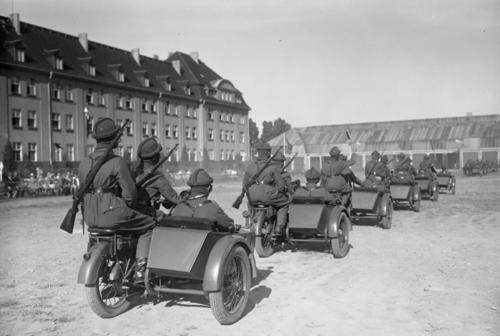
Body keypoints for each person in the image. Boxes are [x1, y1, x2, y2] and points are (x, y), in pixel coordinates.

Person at [78, 118, 156, 283]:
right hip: (113, 213)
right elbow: (130, 195)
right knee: (149, 225)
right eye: (117, 137)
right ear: (112, 139)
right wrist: (127, 206)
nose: (119, 140)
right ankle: (141, 269)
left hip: (90, 216)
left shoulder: (84, 162)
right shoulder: (116, 161)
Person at [243, 143, 289, 236]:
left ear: (258, 152)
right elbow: (280, 186)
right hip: (267, 194)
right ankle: (279, 227)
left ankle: (250, 222)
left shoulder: (250, 166)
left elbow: (244, 185)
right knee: (285, 203)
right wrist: (281, 189)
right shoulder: (272, 167)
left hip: (252, 196)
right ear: (268, 153)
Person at [133, 138, 183, 217]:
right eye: (158, 153)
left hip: (132, 212)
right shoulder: (157, 177)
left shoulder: (133, 173)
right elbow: (176, 199)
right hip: (147, 214)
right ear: (155, 157)